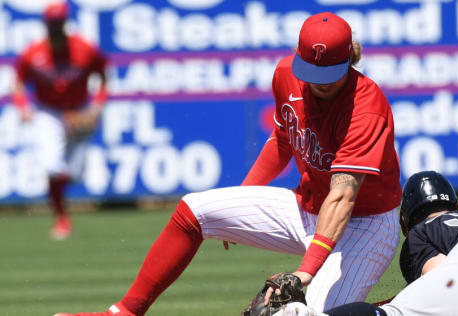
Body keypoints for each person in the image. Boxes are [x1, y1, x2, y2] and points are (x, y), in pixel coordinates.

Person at [54, 12, 401, 316]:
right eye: (310, 71)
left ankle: (396, 308)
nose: (317, 83)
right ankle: (125, 312)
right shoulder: (286, 74)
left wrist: (304, 273)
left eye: (327, 75)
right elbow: (284, 139)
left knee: (312, 314)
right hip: (307, 205)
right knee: (194, 210)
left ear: (348, 62)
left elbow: (343, 197)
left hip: (364, 227)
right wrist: (242, 201)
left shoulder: (366, 106)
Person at [280, 170, 458, 316]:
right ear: (456, 206)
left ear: (405, 221)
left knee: (392, 314)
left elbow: (438, 278)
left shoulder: (421, 232)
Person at [12, 1, 108, 240]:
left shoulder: (85, 48)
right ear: (46, 24)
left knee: (75, 174)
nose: (55, 27)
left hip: (80, 111)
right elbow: (19, 82)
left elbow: (103, 76)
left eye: (59, 22)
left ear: (65, 23)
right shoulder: (34, 52)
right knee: (52, 166)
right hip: (49, 112)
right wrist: (23, 108)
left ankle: (60, 205)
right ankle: (62, 219)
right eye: (52, 23)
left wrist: (96, 108)